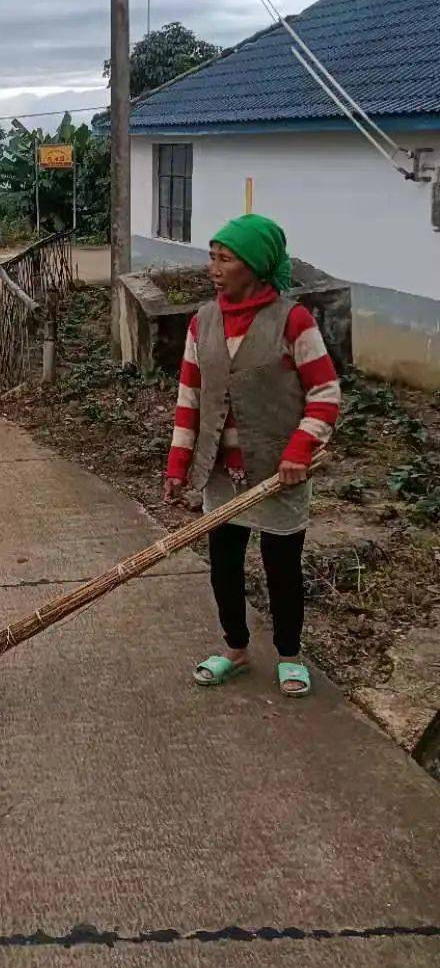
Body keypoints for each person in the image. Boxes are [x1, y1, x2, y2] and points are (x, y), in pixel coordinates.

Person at [162, 214, 341, 698]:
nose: (214, 269)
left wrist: (300, 449)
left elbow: (325, 392)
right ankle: (236, 651)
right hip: (223, 474)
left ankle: (289, 654)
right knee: (224, 565)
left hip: (279, 473)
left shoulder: (293, 320)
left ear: (256, 267)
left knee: (281, 566)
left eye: (226, 259)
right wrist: (179, 466)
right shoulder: (203, 322)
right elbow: (190, 399)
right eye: (212, 258)